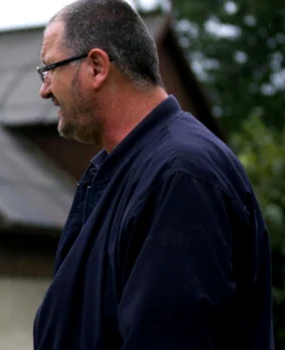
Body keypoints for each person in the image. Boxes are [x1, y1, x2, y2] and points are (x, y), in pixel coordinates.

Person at [33, 0, 273, 349]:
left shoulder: (181, 177)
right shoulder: (125, 171)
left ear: (97, 67)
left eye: (50, 69)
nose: (45, 89)